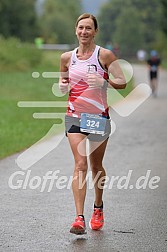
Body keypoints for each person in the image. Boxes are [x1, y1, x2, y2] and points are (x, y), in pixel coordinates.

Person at [59, 13, 126, 235]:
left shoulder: (104, 55)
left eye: (89, 28)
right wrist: (62, 84)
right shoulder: (67, 57)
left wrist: (104, 80)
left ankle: (98, 206)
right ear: (75, 30)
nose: (84, 32)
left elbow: (122, 82)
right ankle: (79, 218)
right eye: (81, 28)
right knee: (80, 165)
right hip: (74, 116)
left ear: (95, 31)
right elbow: (64, 79)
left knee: (96, 167)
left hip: (98, 117)